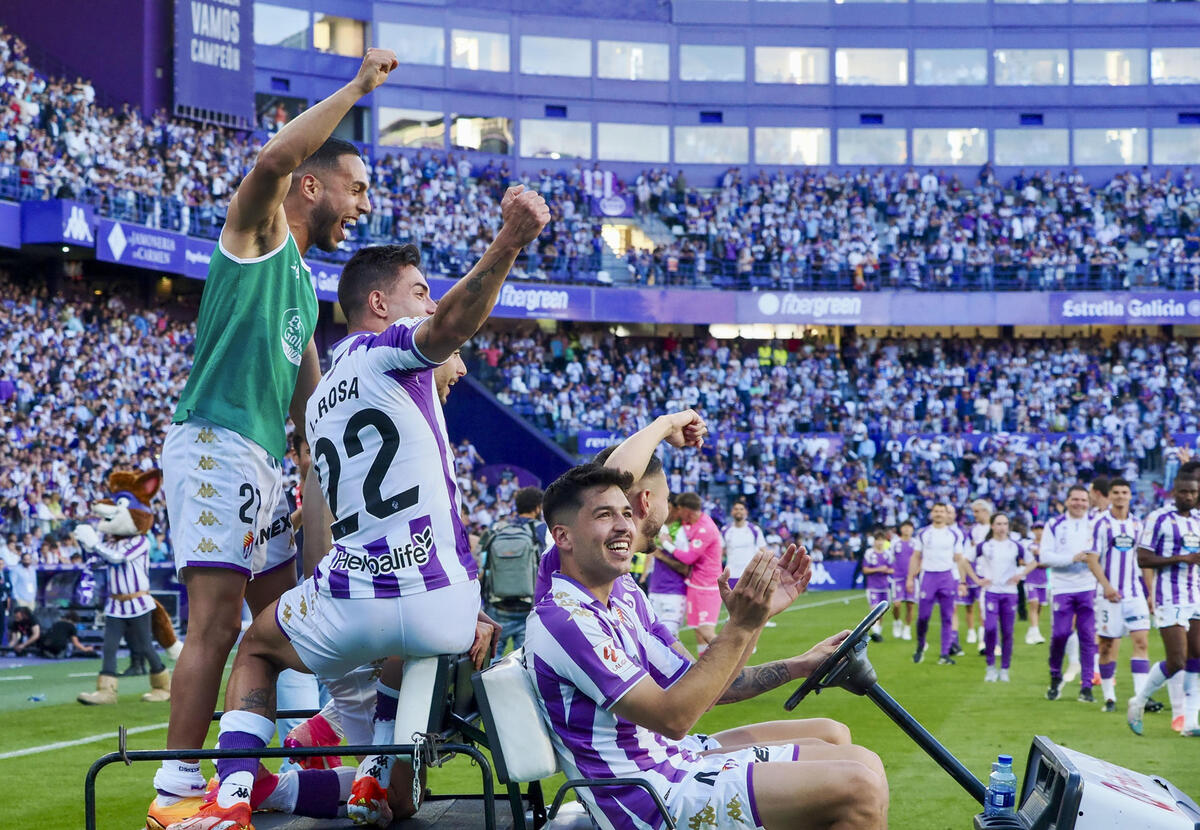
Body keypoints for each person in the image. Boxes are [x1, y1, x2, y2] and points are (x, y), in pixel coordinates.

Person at [170, 185, 550, 830]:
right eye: (419, 291)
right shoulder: (390, 353)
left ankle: (231, 795)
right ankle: (373, 780)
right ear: (379, 303)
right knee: (410, 646)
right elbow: (452, 326)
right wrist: (509, 239)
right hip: (443, 605)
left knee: (258, 648)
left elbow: (321, 512)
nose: (428, 303)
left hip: (353, 596)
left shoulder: (318, 402)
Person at [151, 49, 401, 829]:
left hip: (259, 462)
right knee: (220, 622)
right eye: (356, 188)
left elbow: (314, 402)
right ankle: (175, 795)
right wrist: (357, 90)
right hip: (215, 441)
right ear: (312, 185)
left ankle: (291, 761)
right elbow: (272, 156)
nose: (363, 205)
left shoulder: (299, 280)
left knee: (291, 619)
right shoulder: (255, 235)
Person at [526, 464, 888, 830]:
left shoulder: (623, 596)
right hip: (646, 800)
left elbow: (702, 685)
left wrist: (785, 648)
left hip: (674, 761)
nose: (625, 525)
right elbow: (674, 718)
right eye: (604, 515)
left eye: (625, 512)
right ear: (563, 537)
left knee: (849, 748)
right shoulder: (566, 620)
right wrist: (741, 625)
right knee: (859, 787)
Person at [1126, 474, 1200, 737]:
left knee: (1196, 657)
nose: (1188, 497)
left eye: (1193, 492)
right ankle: (1139, 700)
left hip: (1196, 596)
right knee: (1177, 660)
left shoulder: (1198, 520)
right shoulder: (1159, 518)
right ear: (1173, 492)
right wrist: (1184, 557)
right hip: (1169, 596)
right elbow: (1143, 559)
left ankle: (1190, 721)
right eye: (1183, 492)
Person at [1087, 479, 1150, 714]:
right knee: (1106, 646)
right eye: (1116, 492)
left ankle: (1140, 699)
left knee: (1142, 642)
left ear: (1131, 495)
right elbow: (1092, 558)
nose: (1121, 496)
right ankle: (1109, 697)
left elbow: (1144, 562)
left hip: (1135, 594)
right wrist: (1106, 586)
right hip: (1108, 596)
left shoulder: (1138, 524)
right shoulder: (1100, 524)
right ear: (1110, 496)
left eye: (1125, 492)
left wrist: (1150, 592)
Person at [1040, 485, 1099, 703]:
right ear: (1067, 501)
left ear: (1088, 502)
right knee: (1060, 634)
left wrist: (1092, 559)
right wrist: (1072, 559)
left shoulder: (1095, 523)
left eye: (1083, 500)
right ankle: (1055, 676)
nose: (1079, 503)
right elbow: (1045, 557)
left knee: (1087, 637)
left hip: (1088, 586)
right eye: (1075, 499)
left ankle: (1086, 687)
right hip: (1062, 587)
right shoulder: (1054, 524)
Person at [962, 514, 1035, 683]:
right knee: (990, 629)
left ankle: (1004, 669)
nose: (1002, 527)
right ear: (993, 527)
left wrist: (1020, 574)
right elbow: (965, 560)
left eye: (1005, 524)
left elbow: (1033, 562)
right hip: (991, 592)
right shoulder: (985, 546)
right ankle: (990, 666)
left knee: (1008, 631)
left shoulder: (1015, 546)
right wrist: (976, 579)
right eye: (999, 524)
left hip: (1010, 593)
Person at [478, 485, 547, 655]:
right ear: (538, 507)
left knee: (492, 658)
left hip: (496, 604)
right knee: (522, 661)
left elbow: (482, 563)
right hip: (528, 605)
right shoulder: (544, 531)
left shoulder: (497, 528)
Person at [907, 503, 965, 665]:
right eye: (936, 511)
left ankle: (944, 654)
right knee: (923, 616)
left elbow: (959, 558)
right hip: (928, 577)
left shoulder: (954, 534)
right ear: (931, 513)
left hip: (946, 577)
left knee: (947, 617)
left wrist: (962, 581)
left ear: (947, 515)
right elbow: (915, 556)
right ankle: (920, 646)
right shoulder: (923, 533)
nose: (939, 514)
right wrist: (910, 578)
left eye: (942, 511)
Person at [674, 491, 724, 653]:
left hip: (708, 587)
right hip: (695, 584)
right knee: (698, 631)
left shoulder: (706, 528)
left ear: (686, 509)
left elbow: (689, 558)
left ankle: (729, 667)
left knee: (706, 631)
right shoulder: (691, 523)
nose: (677, 512)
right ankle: (705, 666)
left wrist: (667, 545)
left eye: (679, 509)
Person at [962, 500, 992, 649]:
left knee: (990, 609)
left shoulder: (996, 527)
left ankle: (988, 640)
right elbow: (967, 555)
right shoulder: (974, 531)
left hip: (994, 575)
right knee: (981, 608)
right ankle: (982, 640)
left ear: (985, 511)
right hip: (979, 573)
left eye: (976, 511)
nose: (974, 515)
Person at [861, 532, 893, 642]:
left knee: (881, 611)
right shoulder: (869, 553)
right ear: (874, 541)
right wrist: (878, 569)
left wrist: (887, 570)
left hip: (885, 587)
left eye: (881, 540)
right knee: (874, 609)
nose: (880, 542)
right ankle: (875, 633)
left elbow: (892, 569)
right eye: (878, 540)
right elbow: (865, 570)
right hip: (873, 586)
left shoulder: (888, 554)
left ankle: (878, 632)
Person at [889, 521, 916, 640]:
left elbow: (920, 560)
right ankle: (897, 622)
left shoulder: (916, 543)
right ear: (901, 529)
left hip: (912, 578)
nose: (907, 529)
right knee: (897, 604)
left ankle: (907, 629)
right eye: (904, 527)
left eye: (909, 527)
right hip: (898, 578)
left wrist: (915, 573)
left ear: (912, 529)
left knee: (910, 605)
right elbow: (891, 559)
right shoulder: (895, 543)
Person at [1023, 522, 1048, 645]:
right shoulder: (1030, 545)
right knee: (1034, 603)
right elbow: (1032, 560)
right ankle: (1036, 632)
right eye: (1036, 529)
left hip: (1043, 579)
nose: (1039, 531)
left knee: (1039, 607)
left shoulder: (1047, 546)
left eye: (1041, 529)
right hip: (1031, 578)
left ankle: (1031, 631)